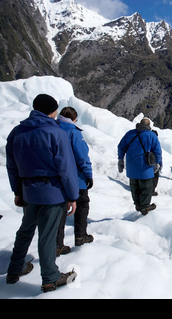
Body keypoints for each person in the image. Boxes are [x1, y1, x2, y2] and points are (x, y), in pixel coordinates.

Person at [6, 94, 79, 293]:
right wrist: (73, 196)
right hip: (52, 193)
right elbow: (66, 168)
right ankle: (50, 278)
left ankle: (15, 268)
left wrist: (18, 190)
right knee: (47, 236)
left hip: (29, 191)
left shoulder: (17, 132)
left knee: (25, 231)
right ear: (52, 111)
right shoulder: (55, 133)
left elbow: (12, 166)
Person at [56, 107, 94, 257]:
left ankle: (58, 244)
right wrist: (88, 174)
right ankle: (80, 235)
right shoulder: (74, 132)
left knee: (60, 209)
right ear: (73, 119)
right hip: (75, 178)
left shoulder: (53, 129)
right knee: (82, 204)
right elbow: (82, 156)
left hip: (57, 179)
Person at [118, 118, 162, 215]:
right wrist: (157, 163)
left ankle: (137, 204)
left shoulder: (130, 134)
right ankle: (145, 206)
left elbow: (121, 146)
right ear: (149, 125)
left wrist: (120, 159)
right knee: (146, 187)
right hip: (145, 167)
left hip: (131, 167)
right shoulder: (151, 135)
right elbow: (157, 151)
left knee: (134, 186)